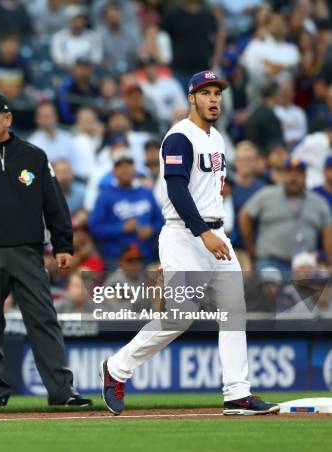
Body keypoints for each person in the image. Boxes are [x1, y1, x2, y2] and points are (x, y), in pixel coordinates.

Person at [99, 71, 280, 416]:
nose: (214, 98)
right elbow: (176, 189)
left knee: (234, 312)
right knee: (179, 318)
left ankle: (237, 394)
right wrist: (203, 232)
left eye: (218, 93)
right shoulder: (179, 137)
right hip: (185, 234)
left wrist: (214, 232)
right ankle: (116, 368)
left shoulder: (219, 138)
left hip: (214, 233)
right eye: (206, 92)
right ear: (191, 98)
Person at [0, 92, 92, 408]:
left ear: (7, 119)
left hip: (28, 250)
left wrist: (63, 243)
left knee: (43, 320)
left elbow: (54, 202)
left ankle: (61, 390)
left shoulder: (34, 156)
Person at [238, 159, 332, 273]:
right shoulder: (267, 194)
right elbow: (245, 215)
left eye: (299, 173)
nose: (293, 177)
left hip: (305, 264)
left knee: (315, 287)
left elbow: (328, 232)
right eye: (289, 172)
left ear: (306, 177)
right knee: (269, 286)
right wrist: (251, 250)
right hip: (270, 261)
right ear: (283, 175)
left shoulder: (318, 202)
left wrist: (329, 261)